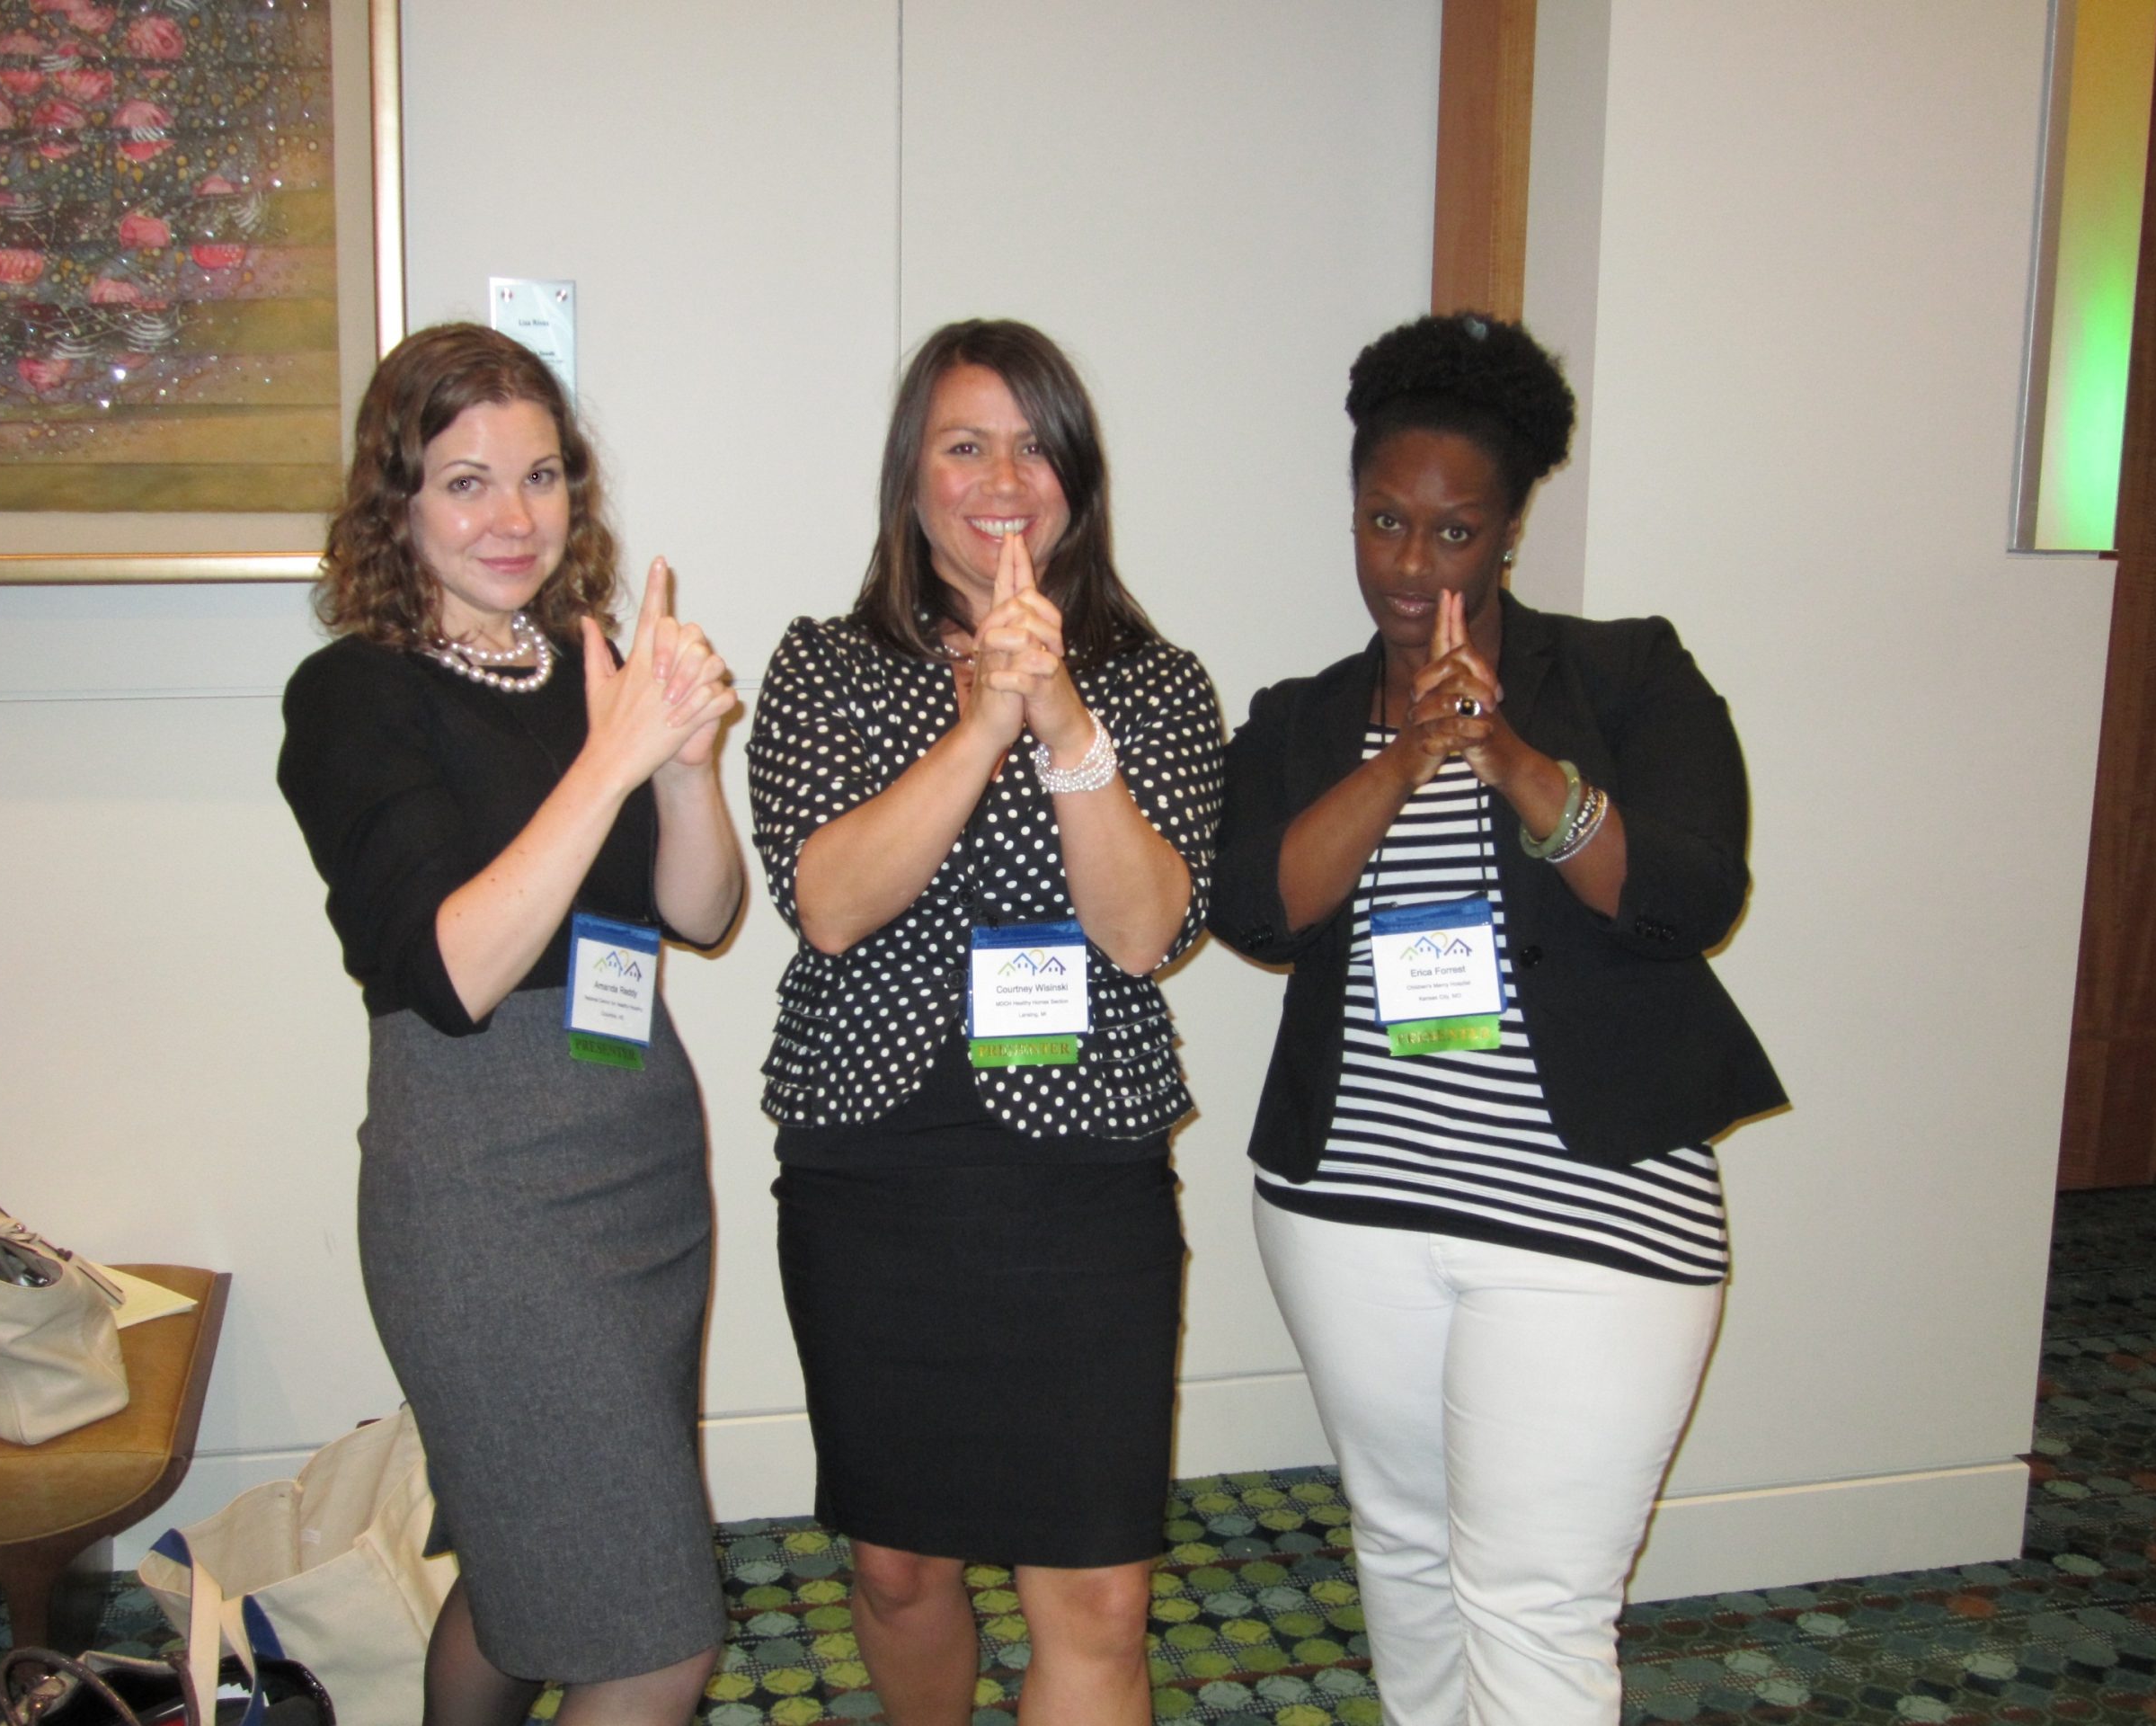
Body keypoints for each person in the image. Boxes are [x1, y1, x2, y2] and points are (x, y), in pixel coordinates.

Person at [1209, 313, 1786, 1726]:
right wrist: (1406, 757)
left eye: (1453, 532)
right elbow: (1256, 913)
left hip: (1593, 1219)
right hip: (1351, 1208)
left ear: (1512, 532)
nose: (1412, 567)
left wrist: (1514, 762)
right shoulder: (1302, 715)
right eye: (1383, 522)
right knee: (1404, 1556)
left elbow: (1684, 896)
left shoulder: (1630, 674)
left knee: (1532, 1605)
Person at [745, 319, 1224, 1726]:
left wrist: (1063, 714)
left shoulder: (1157, 686)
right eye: (965, 444)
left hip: (1083, 1183)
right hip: (874, 1172)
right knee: (900, 1568)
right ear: (913, 480)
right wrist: (981, 722)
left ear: (1077, 477)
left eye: (1034, 444)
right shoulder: (828, 669)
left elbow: (1144, 931)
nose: (1001, 475)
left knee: (1099, 1593)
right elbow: (828, 902)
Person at [276, 324, 741, 1726]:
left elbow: (701, 914)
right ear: (396, 501)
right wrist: (612, 761)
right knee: (652, 1632)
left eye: (542, 478)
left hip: (640, 1158)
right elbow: (452, 966)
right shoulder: (354, 693)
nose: (514, 517)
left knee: (531, 1567)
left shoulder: (586, 669)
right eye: (467, 480)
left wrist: (686, 768)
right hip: (482, 1190)